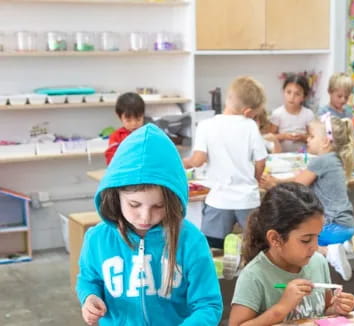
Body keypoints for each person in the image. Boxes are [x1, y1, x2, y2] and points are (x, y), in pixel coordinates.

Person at [76, 124, 222, 325]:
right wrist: (89, 297)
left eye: (159, 206)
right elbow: (89, 279)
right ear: (114, 195)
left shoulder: (191, 241)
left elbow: (208, 305)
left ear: (172, 202)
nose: (145, 217)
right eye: (134, 204)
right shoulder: (97, 239)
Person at [229, 183, 354, 325]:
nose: (315, 247)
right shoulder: (254, 275)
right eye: (306, 240)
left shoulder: (318, 262)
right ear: (275, 239)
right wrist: (281, 308)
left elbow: (323, 311)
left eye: (318, 237)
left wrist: (335, 309)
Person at [261, 114, 354, 280]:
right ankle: (341, 243)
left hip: (331, 228)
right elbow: (301, 178)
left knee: (295, 238)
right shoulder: (335, 159)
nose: (307, 140)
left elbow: (297, 186)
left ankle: (328, 251)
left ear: (325, 141)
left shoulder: (321, 161)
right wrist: (277, 181)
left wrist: (273, 185)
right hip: (346, 227)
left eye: (312, 137)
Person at [183, 76, 268, 250]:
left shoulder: (206, 126)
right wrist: (256, 178)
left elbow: (197, 161)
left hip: (219, 199)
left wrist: (182, 162)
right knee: (256, 247)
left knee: (212, 249)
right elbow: (261, 161)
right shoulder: (250, 126)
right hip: (248, 200)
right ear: (247, 111)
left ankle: (220, 277)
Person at [271, 74, 315, 152]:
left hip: (303, 156)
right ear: (283, 92)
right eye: (288, 92)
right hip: (281, 156)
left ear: (304, 97)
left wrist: (302, 137)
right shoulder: (277, 114)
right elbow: (270, 137)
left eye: (297, 94)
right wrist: (284, 136)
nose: (292, 97)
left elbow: (313, 137)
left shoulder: (308, 114)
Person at [104, 92, 145, 165]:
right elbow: (111, 160)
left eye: (138, 119)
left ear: (143, 115)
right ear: (120, 117)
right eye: (128, 120)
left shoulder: (148, 134)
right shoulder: (116, 137)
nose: (134, 124)